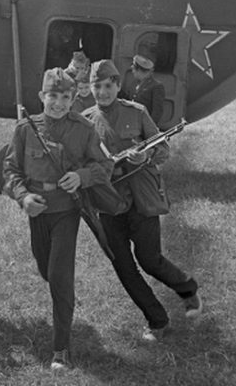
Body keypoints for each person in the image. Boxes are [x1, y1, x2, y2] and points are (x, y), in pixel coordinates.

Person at [83, 59, 202, 342]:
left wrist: (144, 156)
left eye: (108, 85)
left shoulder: (136, 112)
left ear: (118, 85)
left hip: (140, 199)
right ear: (90, 88)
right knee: (123, 266)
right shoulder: (85, 120)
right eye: (96, 86)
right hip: (108, 203)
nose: (102, 92)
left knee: (149, 259)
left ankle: (187, 288)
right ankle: (157, 321)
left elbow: (162, 149)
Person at [3, 68, 114, 370]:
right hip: (37, 211)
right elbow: (10, 169)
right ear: (42, 96)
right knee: (46, 270)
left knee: (60, 277)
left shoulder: (84, 128)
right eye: (54, 96)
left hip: (67, 211)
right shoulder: (26, 129)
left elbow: (105, 164)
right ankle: (61, 300)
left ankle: (60, 348)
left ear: (75, 98)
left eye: (66, 97)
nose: (60, 103)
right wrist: (24, 197)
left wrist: (82, 176)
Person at [122, 55, 166, 125]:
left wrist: (149, 127)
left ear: (139, 70)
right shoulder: (134, 84)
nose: (132, 72)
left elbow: (157, 111)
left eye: (133, 69)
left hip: (144, 125)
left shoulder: (156, 86)